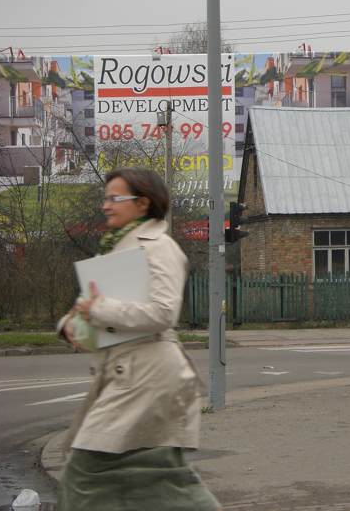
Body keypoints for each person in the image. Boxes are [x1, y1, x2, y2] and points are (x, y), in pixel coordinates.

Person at [56, 168, 220, 510]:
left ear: (143, 203)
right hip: (131, 376)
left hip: (148, 378)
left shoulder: (159, 247)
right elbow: (96, 306)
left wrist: (98, 310)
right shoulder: (118, 246)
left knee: (87, 473)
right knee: (159, 478)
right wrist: (72, 323)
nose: (106, 205)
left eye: (115, 198)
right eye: (105, 198)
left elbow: (163, 312)